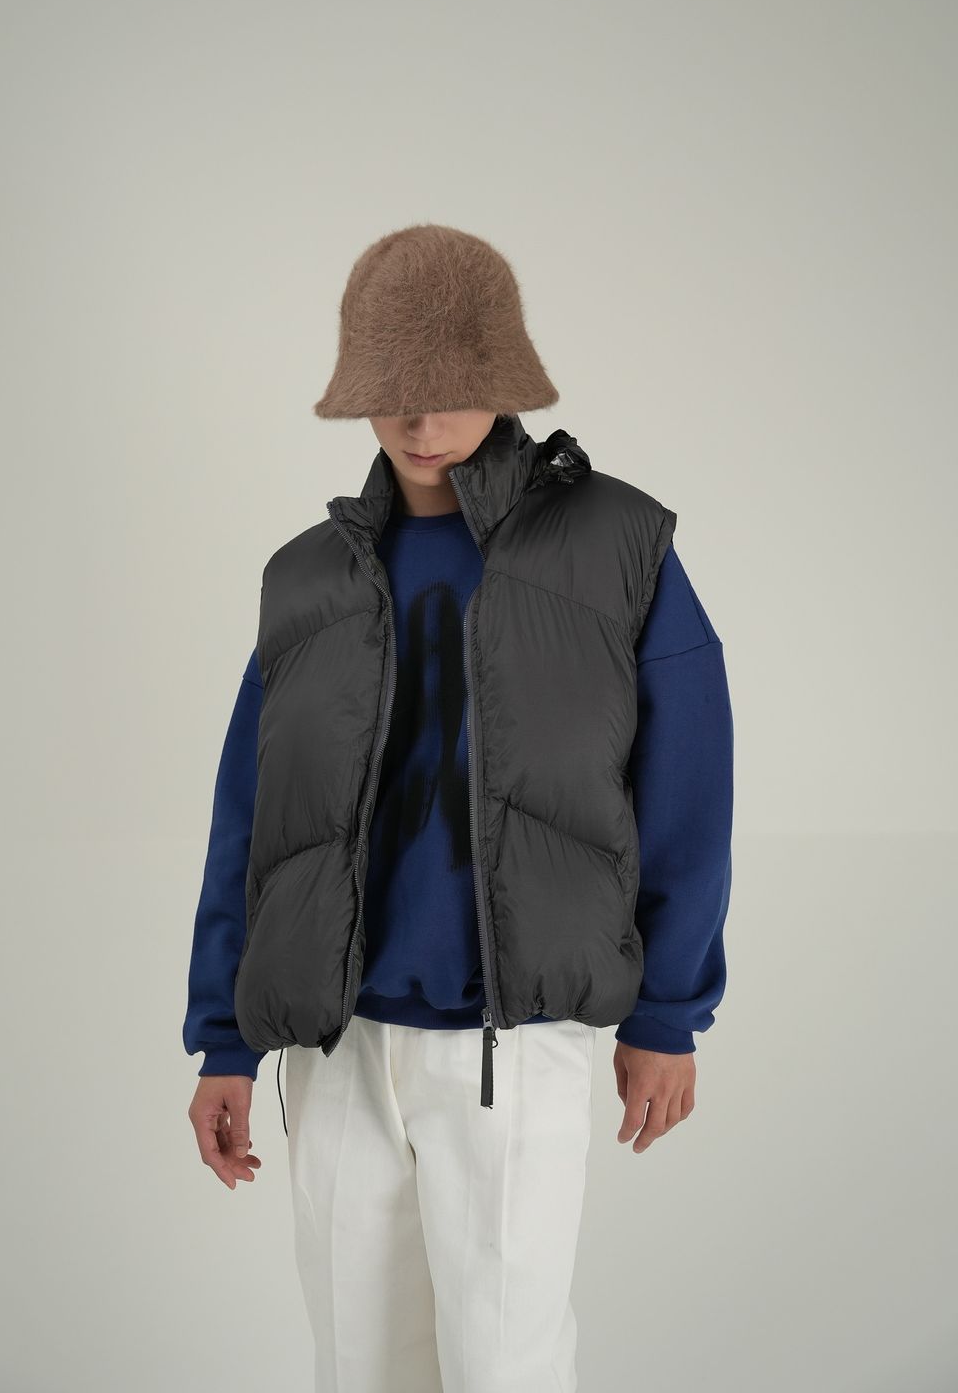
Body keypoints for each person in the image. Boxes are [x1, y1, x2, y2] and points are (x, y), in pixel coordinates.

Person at [183, 224, 734, 1393]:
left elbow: (689, 787)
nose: (418, 419)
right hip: (336, 1048)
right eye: (389, 390)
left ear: (501, 378)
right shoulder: (309, 577)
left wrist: (667, 1016)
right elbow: (251, 820)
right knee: (358, 1365)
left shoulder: (617, 545)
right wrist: (224, 1037)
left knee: (503, 1366)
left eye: (443, 387)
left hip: (511, 1042)